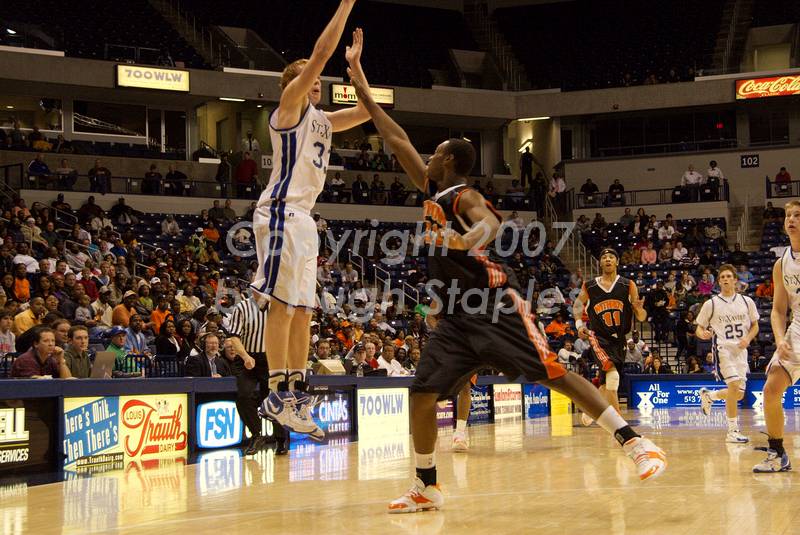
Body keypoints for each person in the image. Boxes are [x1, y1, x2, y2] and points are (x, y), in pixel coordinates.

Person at [348, 61, 666, 514]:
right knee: (420, 396)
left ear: (451, 161)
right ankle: (427, 485)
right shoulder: (432, 192)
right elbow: (398, 140)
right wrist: (361, 84)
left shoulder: (464, 196)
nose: (428, 159)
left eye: (435, 154)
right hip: (458, 318)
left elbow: (491, 225)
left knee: (554, 374)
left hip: (495, 306)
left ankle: (636, 443)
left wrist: (461, 240)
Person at [254, 13, 370, 440]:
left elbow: (366, 110)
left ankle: (296, 393)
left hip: (305, 219)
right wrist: (345, 6)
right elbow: (321, 54)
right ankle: (275, 390)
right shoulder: (288, 110)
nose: (316, 82)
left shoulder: (323, 120)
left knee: (305, 310)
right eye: (309, 79)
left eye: (318, 80)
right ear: (294, 85)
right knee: (283, 306)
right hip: (281, 210)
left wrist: (356, 69)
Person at [573, 248, 647, 422]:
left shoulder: (627, 284)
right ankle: (620, 425)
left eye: (611, 257)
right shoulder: (590, 285)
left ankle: (590, 409)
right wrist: (579, 325)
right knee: (613, 377)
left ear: (617, 262)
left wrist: (639, 309)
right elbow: (577, 305)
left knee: (608, 384)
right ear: (600, 263)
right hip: (598, 338)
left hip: (620, 340)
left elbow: (642, 317)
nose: (607, 259)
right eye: (604, 257)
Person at [753, 201, 800, 472]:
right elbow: (779, 310)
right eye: (787, 215)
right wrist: (780, 338)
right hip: (795, 334)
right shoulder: (781, 264)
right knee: (771, 390)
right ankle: (777, 453)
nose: (790, 219)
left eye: (797, 215)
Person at [695, 264, 759, 444]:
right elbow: (699, 328)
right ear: (718, 281)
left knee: (738, 393)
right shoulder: (711, 303)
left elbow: (755, 326)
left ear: (735, 279)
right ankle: (732, 431)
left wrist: (748, 338)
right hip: (723, 349)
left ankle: (710, 396)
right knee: (734, 386)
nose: (725, 279)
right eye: (722, 276)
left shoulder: (747, 302)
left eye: (728, 276)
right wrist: (703, 334)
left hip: (741, 350)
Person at [222, 295, 289, 455]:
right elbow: (234, 337)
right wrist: (245, 356)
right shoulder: (242, 307)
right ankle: (257, 434)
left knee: (275, 399)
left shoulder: (279, 307)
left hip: (271, 358)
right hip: (247, 356)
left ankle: (280, 440)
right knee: (243, 396)